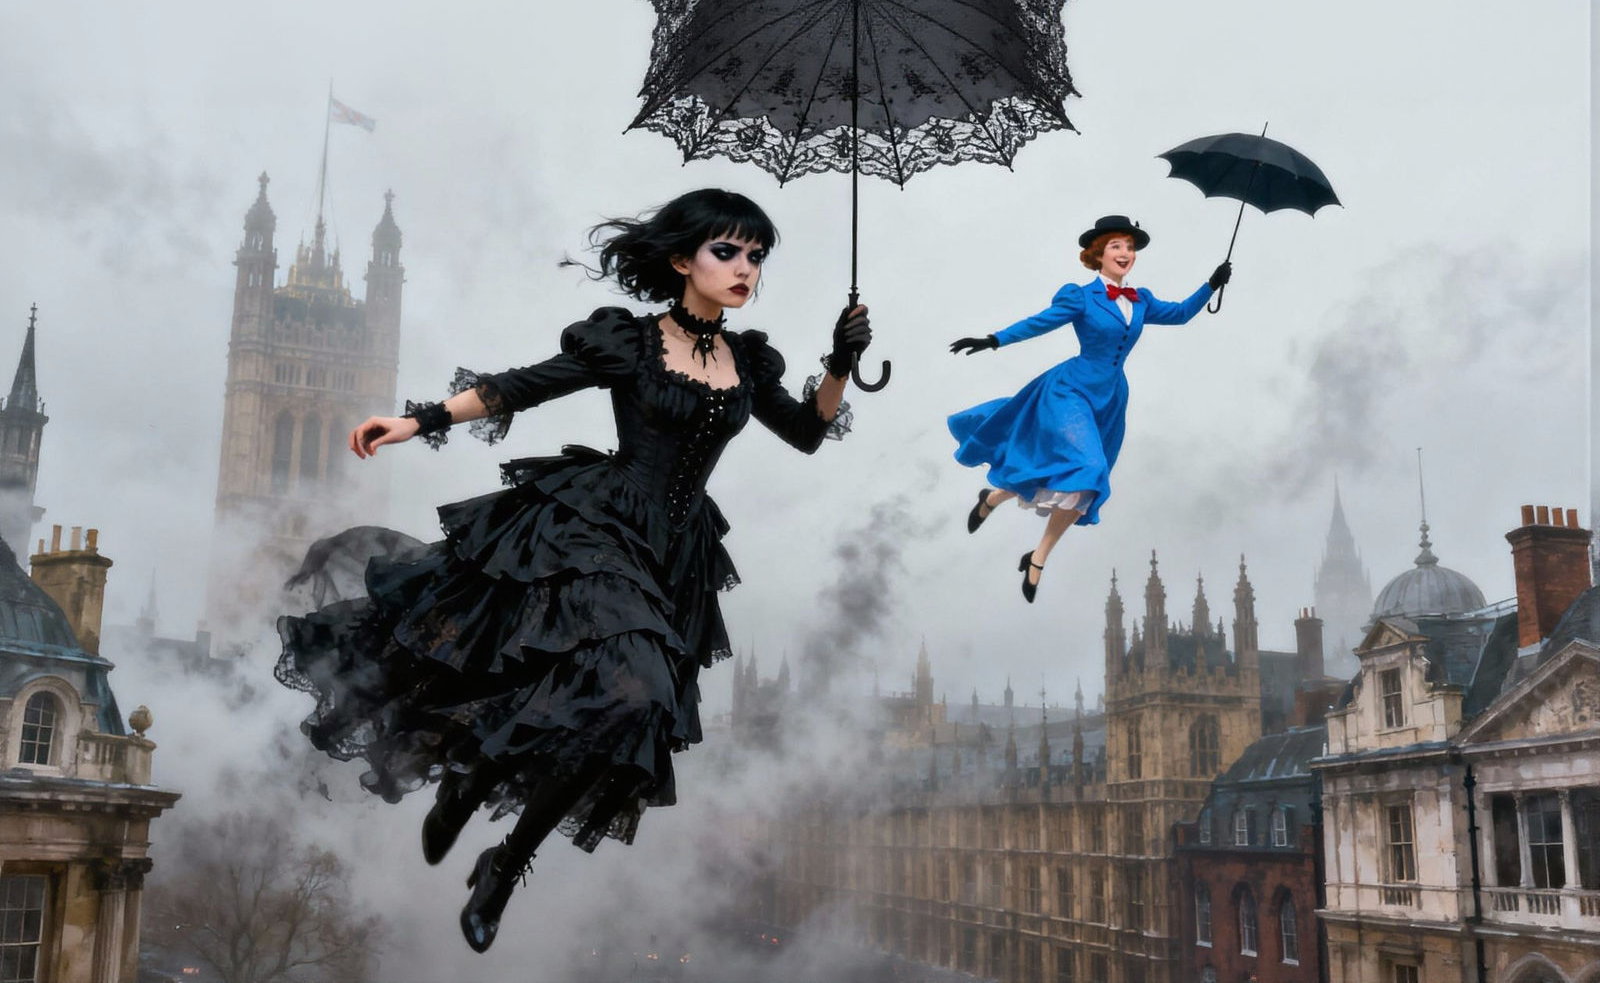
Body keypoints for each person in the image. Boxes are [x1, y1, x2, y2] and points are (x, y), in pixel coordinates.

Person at [274, 188, 871, 952]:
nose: (745, 268)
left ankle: (500, 858)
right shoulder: (631, 342)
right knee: (634, 683)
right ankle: (472, 783)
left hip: (677, 557)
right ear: (681, 260)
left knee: (632, 710)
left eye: (756, 256)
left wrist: (841, 362)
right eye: (727, 252)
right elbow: (525, 385)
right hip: (600, 531)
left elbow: (808, 432)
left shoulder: (748, 360)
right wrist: (419, 419)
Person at [946, 214, 1228, 602]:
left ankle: (1031, 551)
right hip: (1071, 391)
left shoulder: (1141, 300)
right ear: (1098, 254)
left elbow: (1179, 314)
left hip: (1110, 400)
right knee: (1088, 468)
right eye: (1116, 246)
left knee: (1080, 481)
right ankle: (999, 507)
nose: (1125, 253)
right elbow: (1040, 323)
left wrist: (1212, 284)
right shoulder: (1081, 296)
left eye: (1130, 247)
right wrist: (994, 339)